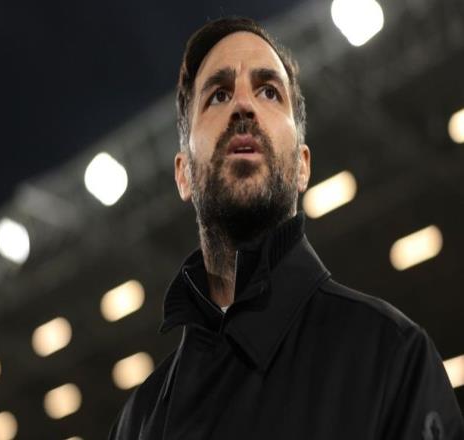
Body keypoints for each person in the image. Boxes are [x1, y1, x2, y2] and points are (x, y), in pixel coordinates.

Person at [108, 16, 464, 440]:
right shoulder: (138, 420)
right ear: (183, 174)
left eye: (268, 91)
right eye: (219, 95)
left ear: (302, 166)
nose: (243, 105)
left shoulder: (391, 357)